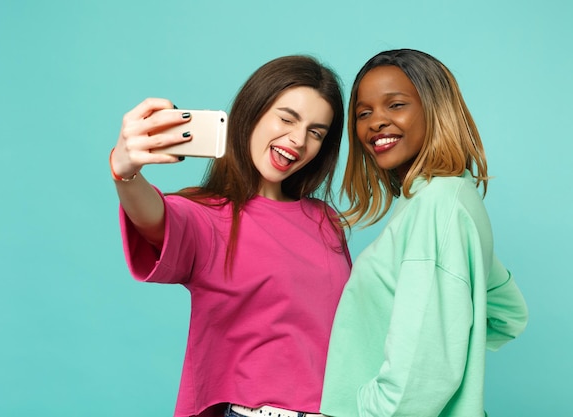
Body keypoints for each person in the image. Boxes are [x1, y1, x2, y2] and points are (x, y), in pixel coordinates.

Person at [109, 55, 352, 417]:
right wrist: (125, 171)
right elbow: (152, 216)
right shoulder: (207, 217)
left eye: (316, 132)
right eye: (286, 118)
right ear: (252, 112)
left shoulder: (325, 220)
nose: (298, 140)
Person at [320, 49, 529, 417]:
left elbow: (417, 381)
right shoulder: (447, 200)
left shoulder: (437, 205)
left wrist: (370, 406)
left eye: (395, 105)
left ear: (435, 108)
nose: (376, 122)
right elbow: (509, 312)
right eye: (363, 113)